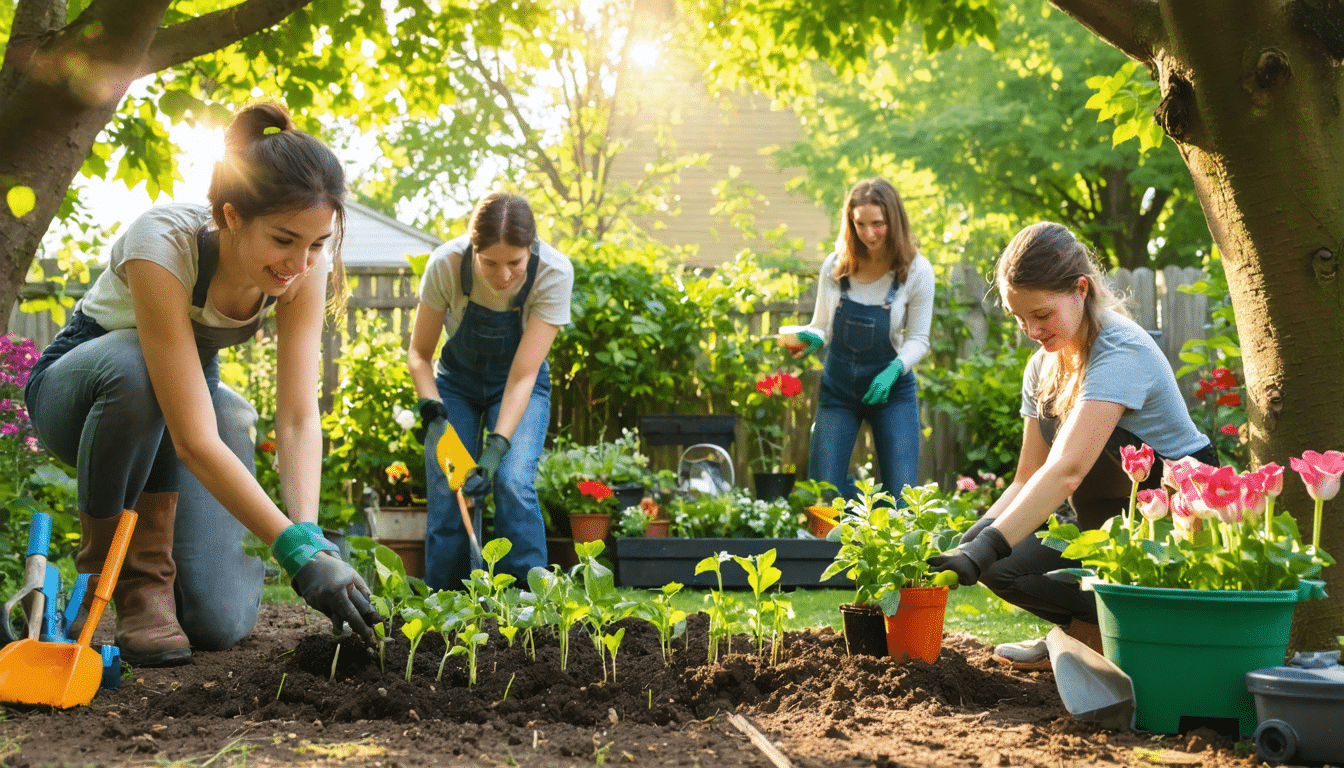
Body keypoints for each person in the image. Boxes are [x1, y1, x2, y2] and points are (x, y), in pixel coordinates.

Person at [24, 102, 381, 667]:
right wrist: (290, 549)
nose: (300, 263)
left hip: (178, 412)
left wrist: (307, 540)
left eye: (316, 244)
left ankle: (159, 593)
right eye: (285, 239)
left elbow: (296, 416)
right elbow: (193, 435)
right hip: (84, 395)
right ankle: (116, 579)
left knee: (221, 624)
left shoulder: (304, 267)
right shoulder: (163, 243)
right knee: (134, 363)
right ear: (231, 216)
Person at [926, 222, 1217, 670]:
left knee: (1001, 548)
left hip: (1172, 514)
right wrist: (974, 539)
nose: (1031, 330)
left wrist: (986, 545)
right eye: (1019, 317)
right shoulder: (1042, 366)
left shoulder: (1120, 350)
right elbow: (1027, 476)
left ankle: (1119, 639)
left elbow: (1067, 470)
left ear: (1081, 289)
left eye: (1041, 315)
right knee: (1000, 568)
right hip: (1101, 514)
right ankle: (1087, 634)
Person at [408, 192, 573, 591]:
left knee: (513, 481)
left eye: (514, 263)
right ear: (473, 248)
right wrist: (433, 415)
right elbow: (418, 355)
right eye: (490, 263)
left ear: (530, 249)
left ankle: (529, 600)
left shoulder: (553, 272)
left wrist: (496, 449)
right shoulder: (446, 264)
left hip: (518, 385)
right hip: (454, 386)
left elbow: (523, 375)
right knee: (451, 488)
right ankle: (443, 600)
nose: (503, 276)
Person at [786, 178, 934, 501]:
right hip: (838, 391)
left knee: (904, 496)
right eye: (860, 224)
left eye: (877, 224)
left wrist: (894, 370)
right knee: (823, 493)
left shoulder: (917, 271)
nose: (869, 234)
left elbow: (919, 339)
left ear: (893, 220)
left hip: (891, 390)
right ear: (850, 223)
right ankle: (825, 545)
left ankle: (886, 537)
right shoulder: (837, 266)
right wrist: (810, 338)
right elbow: (821, 325)